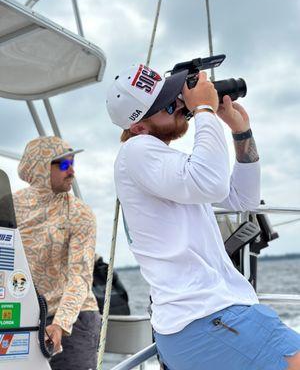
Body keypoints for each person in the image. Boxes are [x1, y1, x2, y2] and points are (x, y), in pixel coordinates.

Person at [106, 64, 300, 370]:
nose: (183, 105)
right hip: (206, 319)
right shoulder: (137, 151)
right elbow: (211, 180)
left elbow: (241, 199)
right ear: (140, 127)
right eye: (171, 105)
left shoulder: (162, 161)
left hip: (210, 319)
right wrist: (205, 109)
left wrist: (240, 131)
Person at [13, 136, 101, 370]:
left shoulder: (80, 213)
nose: (71, 171)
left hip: (74, 319)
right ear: (40, 168)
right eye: (63, 164)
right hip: (23, 317)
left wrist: (61, 324)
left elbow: (80, 276)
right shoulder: (10, 207)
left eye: (72, 163)